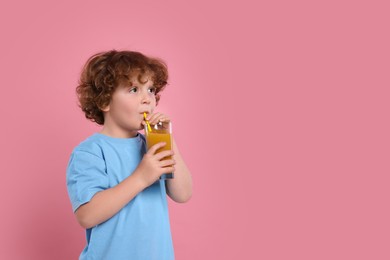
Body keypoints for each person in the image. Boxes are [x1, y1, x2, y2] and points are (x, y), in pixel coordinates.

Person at [66, 50, 193, 259]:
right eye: (134, 89)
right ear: (104, 101)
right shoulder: (90, 152)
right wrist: (141, 177)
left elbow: (183, 194)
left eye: (151, 89)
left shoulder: (153, 145)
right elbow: (87, 215)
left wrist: (168, 141)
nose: (147, 99)